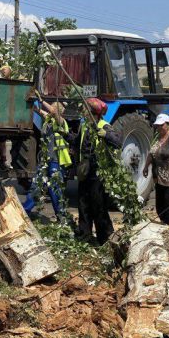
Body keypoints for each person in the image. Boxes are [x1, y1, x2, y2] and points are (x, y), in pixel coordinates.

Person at [75, 97, 122, 245]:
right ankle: (85, 236)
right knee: (83, 205)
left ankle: (106, 238)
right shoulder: (84, 126)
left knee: (98, 206)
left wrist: (106, 135)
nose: (83, 112)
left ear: (93, 112)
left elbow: (118, 142)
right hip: (85, 173)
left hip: (98, 174)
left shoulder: (104, 125)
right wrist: (64, 133)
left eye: (86, 109)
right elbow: (76, 142)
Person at [23, 99, 73, 218]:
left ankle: (61, 216)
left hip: (56, 161)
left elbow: (53, 112)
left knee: (54, 188)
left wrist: (41, 100)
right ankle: (25, 211)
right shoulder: (49, 120)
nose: (49, 109)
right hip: (46, 160)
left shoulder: (61, 122)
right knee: (36, 185)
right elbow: (40, 111)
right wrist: (34, 103)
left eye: (52, 108)